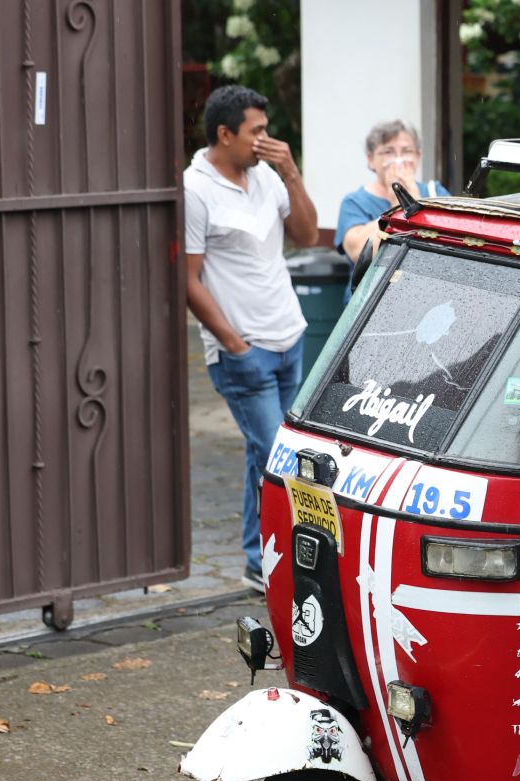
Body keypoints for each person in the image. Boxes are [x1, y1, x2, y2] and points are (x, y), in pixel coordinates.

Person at [184, 85, 319, 591]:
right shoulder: (195, 189)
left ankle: (255, 560)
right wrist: (232, 342)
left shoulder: (266, 176)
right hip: (245, 352)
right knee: (279, 458)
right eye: (256, 131)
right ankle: (285, 559)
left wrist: (291, 172)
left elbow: (306, 235)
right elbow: (188, 279)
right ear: (225, 134)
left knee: (261, 455)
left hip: (291, 338)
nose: (266, 139)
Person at [335, 120, 447, 274]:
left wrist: (416, 200)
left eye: (407, 151)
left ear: (418, 157)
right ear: (371, 160)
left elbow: (446, 245)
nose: (398, 159)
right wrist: (397, 207)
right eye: (388, 152)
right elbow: (358, 253)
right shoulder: (354, 202)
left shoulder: (436, 192)